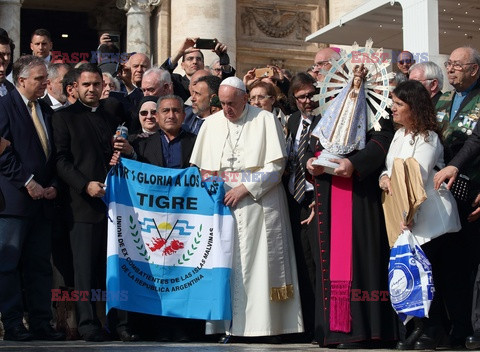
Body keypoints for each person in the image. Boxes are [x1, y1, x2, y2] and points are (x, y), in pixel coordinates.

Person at [190, 77, 303, 342]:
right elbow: (204, 169)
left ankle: (265, 328)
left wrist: (243, 188)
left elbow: (275, 167)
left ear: (245, 98)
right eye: (223, 103)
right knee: (228, 266)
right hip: (224, 207)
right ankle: (228, 327)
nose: (227, 109)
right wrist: (214, 183)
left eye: (232, 103)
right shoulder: (211, 124)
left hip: (259, 204)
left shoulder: (265, 120)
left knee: (260, 265)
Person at [305, 74, 397, 348]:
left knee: (356, 261)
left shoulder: (377, 110)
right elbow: (319, 144)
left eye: (360, 80)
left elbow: (381, 141)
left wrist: (354, 165)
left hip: (359, 196)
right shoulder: (334, 108)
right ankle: (335, 328)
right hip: (331, 194)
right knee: (334, 264)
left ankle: (358, 329)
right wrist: (312, 161)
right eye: (351, 80)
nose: (355, 85)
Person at [52, 63, 137, 342]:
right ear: (73, 88)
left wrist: (126, 151)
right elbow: (60, 160)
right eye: (86, 84)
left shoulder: (112, 113)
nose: (92, 89)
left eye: (96, 84)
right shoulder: (63, 118)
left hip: (116, 207)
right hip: (81, 207)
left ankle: (120, 324)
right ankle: (88, 324)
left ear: (103, 86)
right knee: (85, 271)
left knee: (116, 266)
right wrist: (84, 184)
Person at [380, 80, 461, 350]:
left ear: (413, 108)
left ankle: (435, 330)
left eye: (399, 104)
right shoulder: (399, 135)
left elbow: (417, 175)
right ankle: (421, 328)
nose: (393, 108)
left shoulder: (429, 137)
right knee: (415, 275)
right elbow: (391, 168)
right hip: (408, 218)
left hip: (431, 219)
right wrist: (382, 177)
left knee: (430, 277)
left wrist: (408, 211)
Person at [0, 55, 64, 341]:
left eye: (45, 79)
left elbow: (51, 154)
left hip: (43, 203)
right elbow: (3, 152)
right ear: (21, 80)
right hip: (14, 203)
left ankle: (41, 322)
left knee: (39, 266)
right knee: (8, 265)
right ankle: (13, 323)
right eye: (39, 79)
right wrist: (28, 183)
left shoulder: (47, 111)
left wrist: (51, 184)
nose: (44, 84)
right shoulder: (3, 106)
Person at [434, 46, 480, 349]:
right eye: (448, 65)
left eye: (457, 65)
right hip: (446, 194)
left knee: (473, 265)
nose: (450, 70)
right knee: (450, 263)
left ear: (474, 69)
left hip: (474, 192)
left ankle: (475, 328)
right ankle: (457, 325)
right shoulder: (443, 100)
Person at [283, 72, 321, 342]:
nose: (308, 101)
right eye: (302, 97)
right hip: (293, 200)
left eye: (311, 95)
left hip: (315, 199)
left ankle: (322, 324)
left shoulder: (327, 119)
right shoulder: (293, 121)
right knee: (302, 264)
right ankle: (306, 324)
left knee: (318, 264)